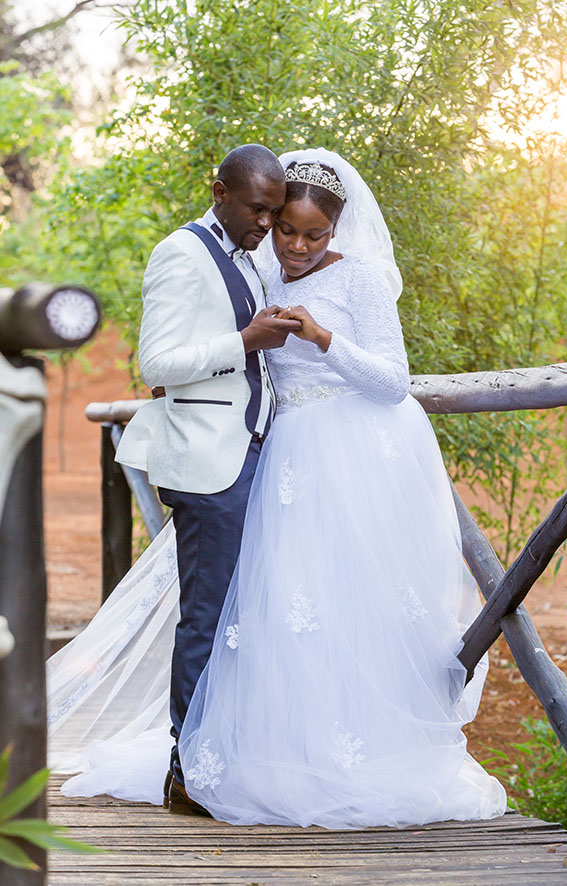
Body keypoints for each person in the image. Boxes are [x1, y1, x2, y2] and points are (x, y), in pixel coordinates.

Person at [47, 148, 506, 829]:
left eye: (311, 234)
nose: (292, 243)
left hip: (347, 464)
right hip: (274, 458)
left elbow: (392, 381)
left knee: (344, 609)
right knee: (269, 613)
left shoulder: (358, 280)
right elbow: (189, 355)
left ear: (336, 230)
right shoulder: (249, 264)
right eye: (282, 226)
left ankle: (337, 751)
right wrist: (230, 352)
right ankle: (232, 757)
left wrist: (323, 339)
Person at [111, 143, 300, 813]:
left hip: (251, 454)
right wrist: (246, 341)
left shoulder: (246, 256)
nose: (266, 224)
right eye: (257, 209)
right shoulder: (182, 254)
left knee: (242, 618)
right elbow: (157, 362)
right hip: (208, 463)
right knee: (208, 618)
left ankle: (222, 758)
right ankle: (185, 771)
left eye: (274, 211)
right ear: (219, 191)